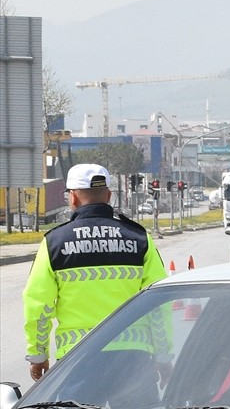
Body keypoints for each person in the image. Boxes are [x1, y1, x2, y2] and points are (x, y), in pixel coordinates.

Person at [23, 163, 168, 382]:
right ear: (109, 195)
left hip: (76, 357)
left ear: (72, 198)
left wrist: (38, 354)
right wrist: (164, 355)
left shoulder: (54, 242)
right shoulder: (139, 238)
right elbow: (160, 304)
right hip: (132, 358)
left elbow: (38, 304)